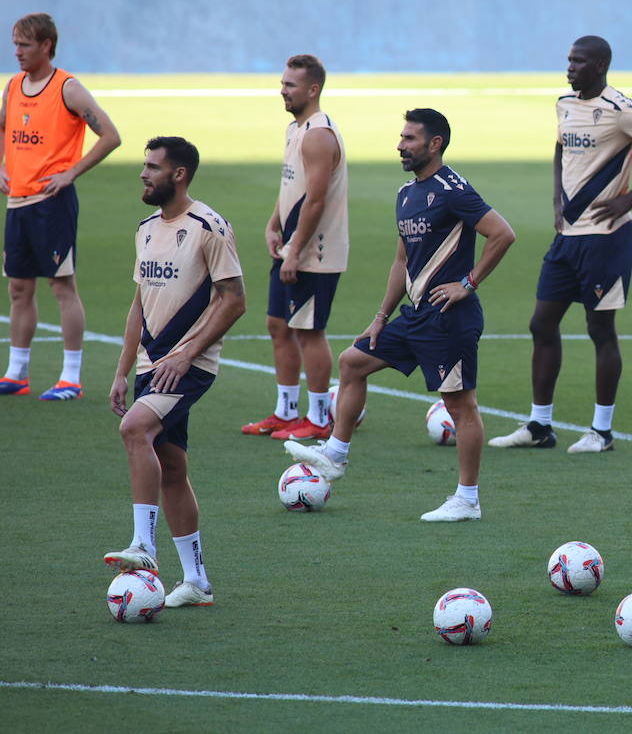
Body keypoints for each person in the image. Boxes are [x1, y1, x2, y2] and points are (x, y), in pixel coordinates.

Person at [285, 108, 515, 523]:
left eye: (409, 139)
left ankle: (467, 499)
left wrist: (468, 283)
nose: (400, 145)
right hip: (415, 314)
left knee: (461, 407)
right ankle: (335, 455)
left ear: (434, 144)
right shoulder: (405, 194)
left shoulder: (452, 189)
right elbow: (401, 261)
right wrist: (380, 315)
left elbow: (502, 233)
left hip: (449, 317)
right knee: (353, 361)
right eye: (401, 137)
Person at [490, 35, 632, 454]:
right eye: (569, 60)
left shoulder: (622, 110)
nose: (570, 67)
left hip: (606, 238)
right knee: (541, 323)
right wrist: (557, 196)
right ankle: (540, 425)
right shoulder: (564, 103)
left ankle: (602, 431)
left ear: (601, 65)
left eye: (578, 61)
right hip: (567, 237)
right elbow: (560, 148)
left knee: (600, 329)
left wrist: (631, 197)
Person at [105, 136, 246, 608]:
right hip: (152, 365)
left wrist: (188, 354)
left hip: (189, 364)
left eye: (152, 167)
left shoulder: (209, 226)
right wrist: (123, 370)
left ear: (179, 174)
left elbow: (235, 300)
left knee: (134, 429)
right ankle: (197, 582)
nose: (143, 174)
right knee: (172, 469)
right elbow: (138, 304)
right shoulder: (146, 228)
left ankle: (143, 545)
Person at [1, 12, 122, 400]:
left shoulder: (67, 88)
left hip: (51, 203)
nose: (17, 51)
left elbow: (110, 135)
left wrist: (71, 173)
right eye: (15, 43)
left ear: (46, 46)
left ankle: (71, 377)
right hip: (18, 202)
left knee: (61, 286)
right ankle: (17, 373)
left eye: (25, 44)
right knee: (19, 289)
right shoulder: (14, 86)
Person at [241, 55, 350, 441]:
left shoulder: (319, 135)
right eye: (283, 82)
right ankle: (285, 412)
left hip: (313, 253)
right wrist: (274, 223)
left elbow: (316, 201)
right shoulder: (296, 129)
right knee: (278, 326)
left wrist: (296, 251)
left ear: (313, 89)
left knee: (309, 332)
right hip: (291, 246)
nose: (282, 90)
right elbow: (293, 186)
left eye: (290, 84)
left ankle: (319, 419)